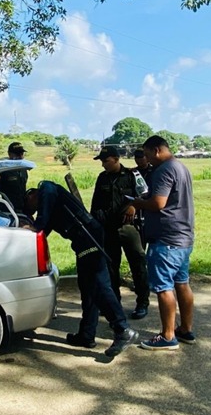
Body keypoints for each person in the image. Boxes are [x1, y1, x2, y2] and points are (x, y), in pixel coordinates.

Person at [24, 181, 139, 358]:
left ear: (32, 194)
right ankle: (87, 334)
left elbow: (40, 224)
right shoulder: (51, 205)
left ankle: (122, 330)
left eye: (31, 205)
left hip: (88, 236)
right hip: (83, 239)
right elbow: (41, 232)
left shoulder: (46, 188)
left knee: (99, 285)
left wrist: (34, 226)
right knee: (87, 287)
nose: (34, 209)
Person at [130, 135, 196, 351]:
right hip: (183, 237)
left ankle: (168, 336)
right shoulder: (181, 167)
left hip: (166, 240)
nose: (147, 160)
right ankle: (185, 329)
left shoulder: (164, 169)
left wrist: (138, 203)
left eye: (148, 155)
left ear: (157, 150)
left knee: (163, 287)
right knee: (182, 283)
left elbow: (158, 203)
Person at [90, 146, 150, 320]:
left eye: (106, 161)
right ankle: (114, 304)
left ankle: (142, 303)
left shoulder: (133, 176)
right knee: (111, 268)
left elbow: (146, 195)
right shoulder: (102, 178)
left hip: (128, 228)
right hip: (107, 229)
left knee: (138, 265)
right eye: (101, 161)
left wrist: (134, 205)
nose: (103, 164)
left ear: (116, 159)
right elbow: (95, 204)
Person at [0, 141, 28, 211]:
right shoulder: (2, 170)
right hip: (7, 210)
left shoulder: (24, 169)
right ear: (9, 154)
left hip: (22, 209)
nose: (20, 156)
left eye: (22, 153)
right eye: (17, 154)